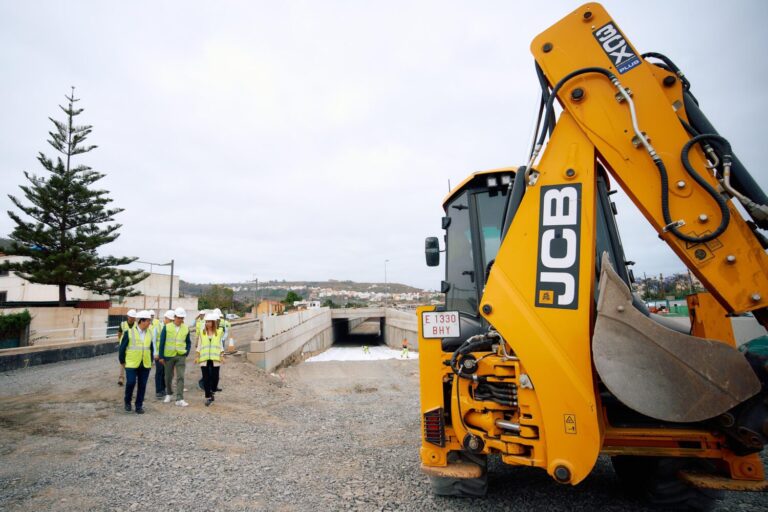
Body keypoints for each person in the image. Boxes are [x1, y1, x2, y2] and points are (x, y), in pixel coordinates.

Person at [118, 310, 155, 414]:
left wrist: (151, 360)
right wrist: (122, 361)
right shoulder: (129, 332)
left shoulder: (149, 333)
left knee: (142, 385)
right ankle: (127, 402)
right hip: (131, 363)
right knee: (131, 382)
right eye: (148, 321)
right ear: (141, 321)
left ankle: (139, 406)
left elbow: (150, 348)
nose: (149, 323)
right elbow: (122, 348)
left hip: (145, 363)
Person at [159, 308, 191, 407]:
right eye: (178, 318)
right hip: (169, 355)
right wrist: (161, 356)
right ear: (175, 317)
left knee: (180, 376)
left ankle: (179, 398)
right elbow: (162, 342)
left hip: (181, 355)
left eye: (182, 318)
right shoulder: (167, 327)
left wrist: (186, 352)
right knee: (168, 376)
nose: (180, 320)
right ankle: (169, 393)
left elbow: (188, 342)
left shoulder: (186, 328)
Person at [196, 312, 224, 406]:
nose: (207, 323)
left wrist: (222, 355)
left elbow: (220, 345)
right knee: (206, 378)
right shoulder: (202, 333)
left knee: (215, 377)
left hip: (215, 358)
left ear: (213, 323)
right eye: (206, 321)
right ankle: (208, 396)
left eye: (209, 322)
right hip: (204, 359)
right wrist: (197, 356)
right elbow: (199, 345)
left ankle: (212, 391)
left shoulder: (219, 332)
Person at [116, 309, 137, 386]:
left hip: (133, 347)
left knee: (131, 363)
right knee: (122, 361)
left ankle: (130, 376)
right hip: (124, 346)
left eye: (133, 317)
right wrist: (120, 342)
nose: (131, 318)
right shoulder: (123, 324)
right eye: (130, 317)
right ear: (128, 317)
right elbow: (119, 333)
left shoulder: (136, 325)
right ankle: (121, 378)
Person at [153, 310, 168, 399]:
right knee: (159, 372)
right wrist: (155, 353)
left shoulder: (170, 327)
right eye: (169, 319)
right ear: (165, 318)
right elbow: (154, 341)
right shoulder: (157, 327)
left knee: (164, 372)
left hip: (166, 354)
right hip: (158, 354)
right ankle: (158, 390)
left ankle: (163, 389)